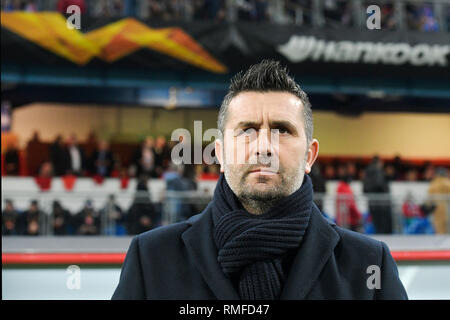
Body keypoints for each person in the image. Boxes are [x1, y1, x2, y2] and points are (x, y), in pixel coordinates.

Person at [113, 60, 407, 300]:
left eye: (281, 130)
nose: (264, 147)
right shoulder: (151, 258)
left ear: (309, 155)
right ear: (221, 153)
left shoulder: (368, 263)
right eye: (247, 130)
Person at [363, 156, 393, 234]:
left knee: (376, 226)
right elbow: (380, 185)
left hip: (372, 203)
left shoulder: (366, 172)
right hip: (382, 204)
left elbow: (364, 189)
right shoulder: (378, 171)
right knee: (383, 228)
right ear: (379, 162)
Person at [427, 167, 450, 234]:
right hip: (447, 207)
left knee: (439, 228)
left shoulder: (433, 183)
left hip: (436, 209)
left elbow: (429, 197)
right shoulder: (447, 183)